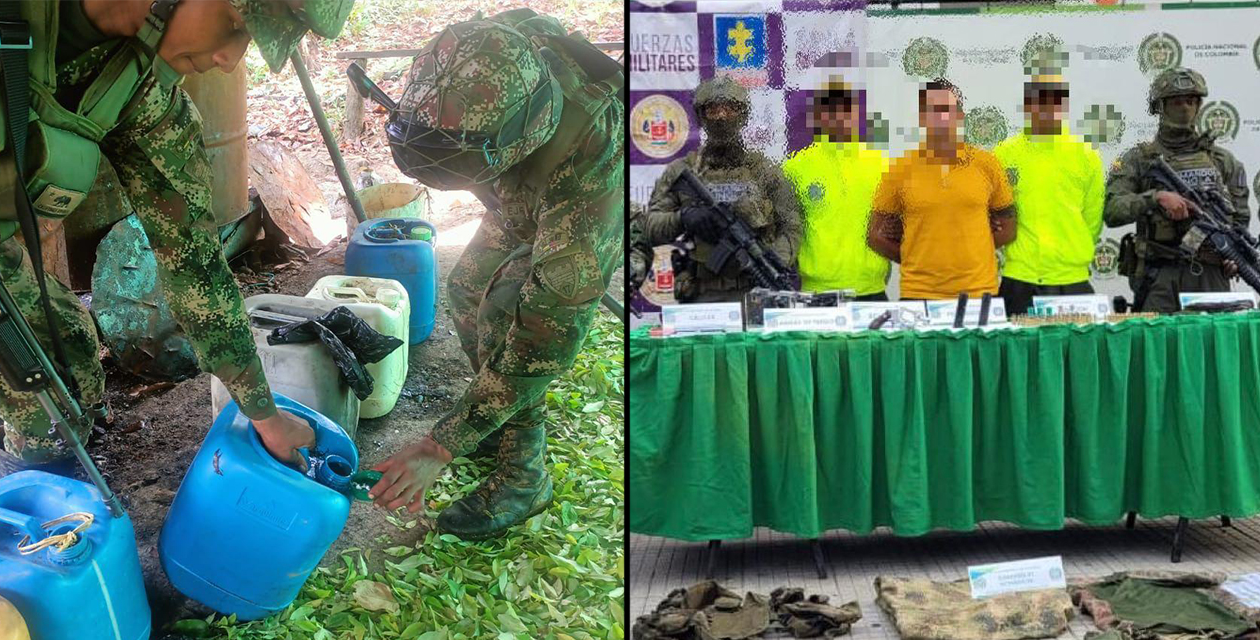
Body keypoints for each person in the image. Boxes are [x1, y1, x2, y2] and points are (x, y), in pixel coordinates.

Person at [0, 0, 350, 476]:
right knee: (40, 402)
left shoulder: (144, 95)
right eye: (234, 25)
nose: (229, 60)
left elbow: (195, 265)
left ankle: (55, 495)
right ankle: (34, 531)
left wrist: (263, 413)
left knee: (67, 362)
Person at [365, 9, 623, 540]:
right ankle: (498, 418)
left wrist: (443, 442)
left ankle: (525, 479)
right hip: (517, 185)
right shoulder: (481, 54)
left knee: (510, 313)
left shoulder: (588, 156)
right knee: (468, 288)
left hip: (576, 198)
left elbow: (546, 336)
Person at [644, 74, 802, 303]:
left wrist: (767, 262)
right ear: (701, 117)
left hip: (757, 290)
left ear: (743, 115)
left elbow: (792, 226)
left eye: (730, 109)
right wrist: (684, 217)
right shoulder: (683, 171)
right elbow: (650, 227)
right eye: (713, 110)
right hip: (703, 294)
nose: (721, 116)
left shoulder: (766, 171)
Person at [1104, 67, 1250, 312]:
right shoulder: (1137, 159)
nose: (1185, 108)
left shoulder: (1223, 161)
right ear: (1160, 106)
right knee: (1155, 347)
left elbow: (1239, 221)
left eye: (1191, 101)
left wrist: (1236, 258)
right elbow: (1112, 210)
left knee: (1208, 347)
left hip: (1210, 276)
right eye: (1176, 101)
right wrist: (1156, 198)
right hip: (1159, 275)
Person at [868, 78, 1016, 300]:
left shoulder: (987, 164)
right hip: (919, 293)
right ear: (922, 118)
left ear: (959, 116)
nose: (940, 118)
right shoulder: (900, 169)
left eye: (947, 110)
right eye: (932, 111)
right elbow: (874, 235)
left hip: (978, 293)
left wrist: (973, 253)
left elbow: (1008, 227)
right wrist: (914, 257)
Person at [993, 73, 1105, 315]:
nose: (1045, 108)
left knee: (1075, 355)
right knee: (1018, 354)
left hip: (1072, 282)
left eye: (1052, 101)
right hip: (1019, 281)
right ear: (1026, 105)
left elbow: (1092, 221)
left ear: (1062, 105)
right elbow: (994, 216)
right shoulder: (1004, 155)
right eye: (1037, 101)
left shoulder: (1085, 155)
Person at [782, 78, 890, 300]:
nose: (839, 117)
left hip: (871, 291)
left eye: (846, 109)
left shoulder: (882, 165)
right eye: (831, 109)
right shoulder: (795, 167)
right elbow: (785, 230)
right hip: (816, 293)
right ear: (819, 116)